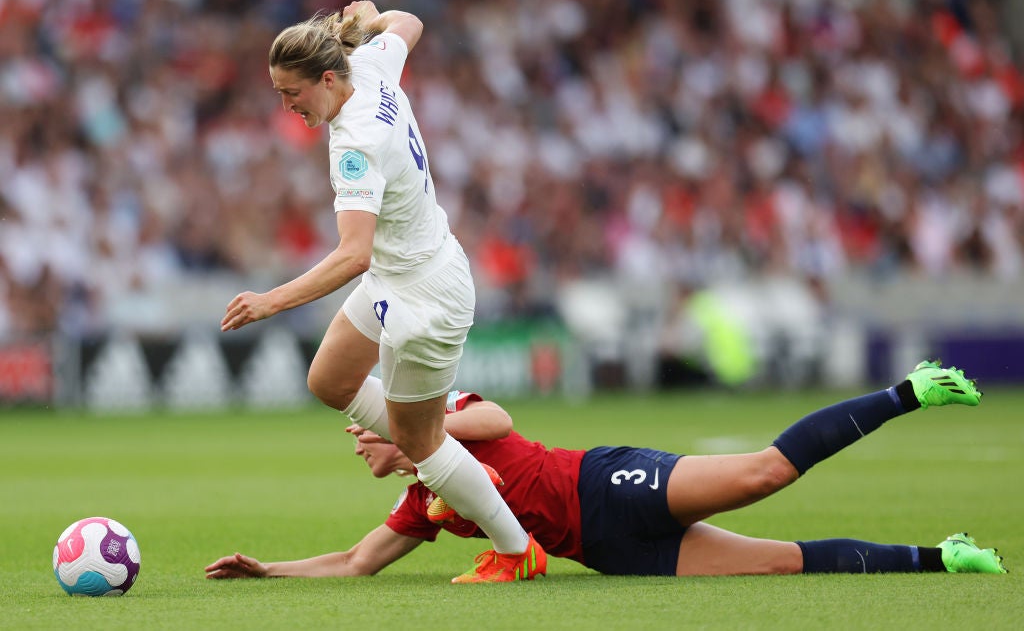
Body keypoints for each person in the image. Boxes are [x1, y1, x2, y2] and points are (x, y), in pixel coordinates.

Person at [218, 0, 544, 583]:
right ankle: (452, 463)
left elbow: (352, 254)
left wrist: (271, 301)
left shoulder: (354, 145)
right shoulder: (368, 66)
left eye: (291, 93)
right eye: (276, 92)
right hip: (397, 277)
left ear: (324, 79)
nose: (286, 106)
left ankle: (516, 549)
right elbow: (410, 23)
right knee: (329, 381)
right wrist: (370, 21)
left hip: (425, 294)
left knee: (419, 444)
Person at [205, 360, 1007, 580]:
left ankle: (910, 389)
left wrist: (418, 428)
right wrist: (267, 568)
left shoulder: (453, 425)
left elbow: (499, 420)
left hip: (608, 482)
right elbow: (355, 562)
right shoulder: (432, 496)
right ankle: (944, 554)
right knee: (777, 561)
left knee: (764, 473)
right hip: (618, 553)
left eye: (363, 431)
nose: (359, 444)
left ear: (389, 419)